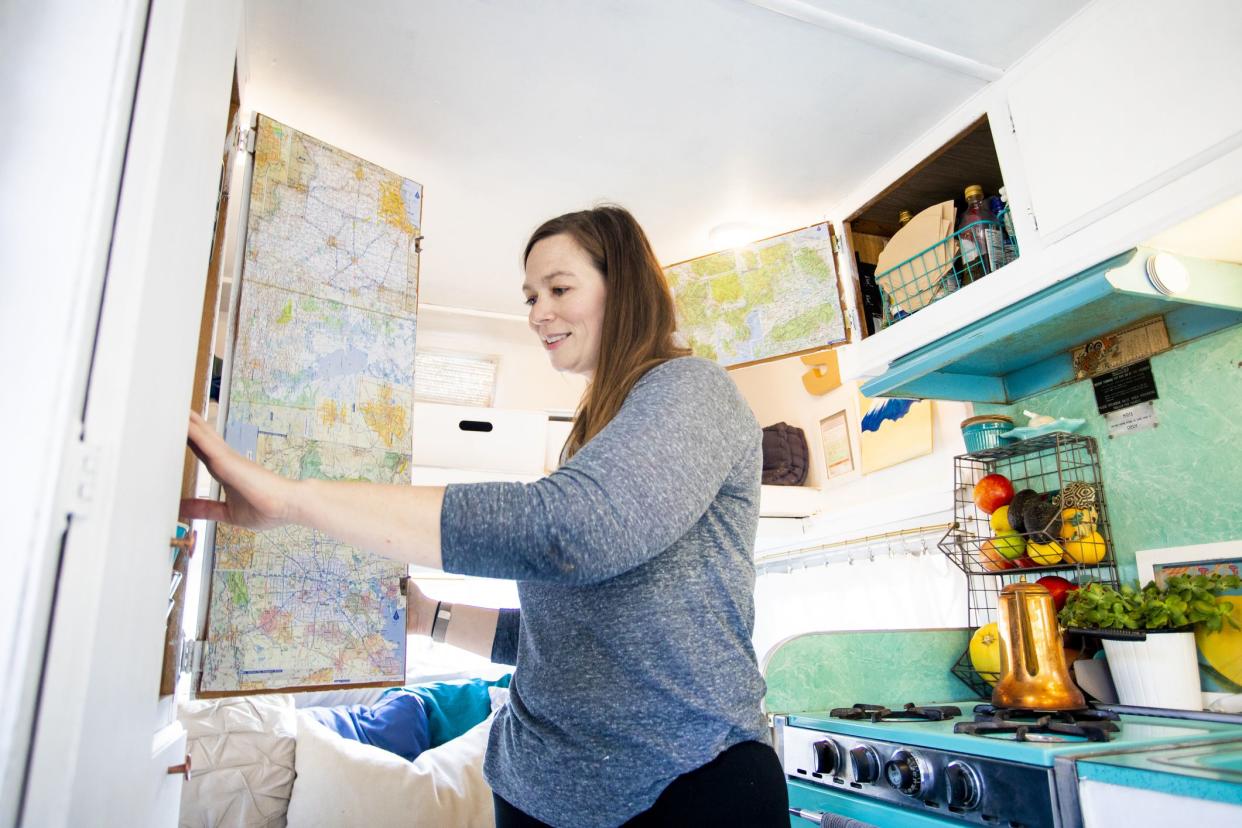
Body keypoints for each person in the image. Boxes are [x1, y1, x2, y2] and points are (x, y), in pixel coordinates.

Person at [182, 205, 788, 827]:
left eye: (558, 289)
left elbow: (567, 531)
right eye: (530, 296)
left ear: (624, 287)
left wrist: (292, 499)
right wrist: (428, 617)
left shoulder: (692, 389)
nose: (536, 314)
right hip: (535, 789)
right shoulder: (590, 432)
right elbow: (564, 641)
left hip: (686, 784)